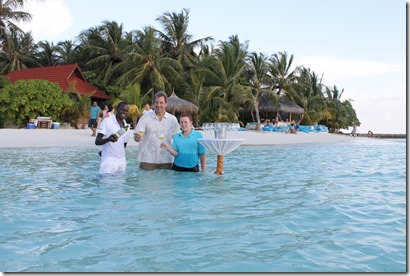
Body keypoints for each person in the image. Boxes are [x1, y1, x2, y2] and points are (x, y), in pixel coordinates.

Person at [134, 91, 180, 170]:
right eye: (157, 102)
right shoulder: (145, 117)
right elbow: (136, 137)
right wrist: (137, 138)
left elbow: (178, 139)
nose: (159, 105)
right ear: (154, 104)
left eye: (161, 103)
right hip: (147, 160)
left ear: (166, 104)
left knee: (166, 182)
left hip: (166, 160)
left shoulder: (172, 119)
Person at [95, 102, 130, 174]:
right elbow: (97, 141)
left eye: (126, 110)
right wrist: (108, 139)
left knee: (120, 184)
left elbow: (124, 145)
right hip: (109, 160)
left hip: (122, 161)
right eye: (122, 109)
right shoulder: (107, 121)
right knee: (106, 183)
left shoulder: (126, 126)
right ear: (117, 109)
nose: (124, 112)